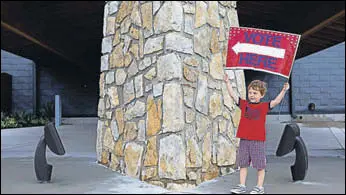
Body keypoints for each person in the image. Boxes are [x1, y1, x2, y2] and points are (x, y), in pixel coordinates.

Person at [223, 73, 289, 194]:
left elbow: (276, 101)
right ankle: (241, 185)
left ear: (262, 95)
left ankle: (259, 187)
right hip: (244, 139)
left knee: (260, 164)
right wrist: (227, 83)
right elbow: (233, 96)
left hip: (257, 140)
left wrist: (284, 90)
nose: (252, 95)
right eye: (250, 93)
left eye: (255, 93)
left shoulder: (264, 106)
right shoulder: (244, 104)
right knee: (243, 163)